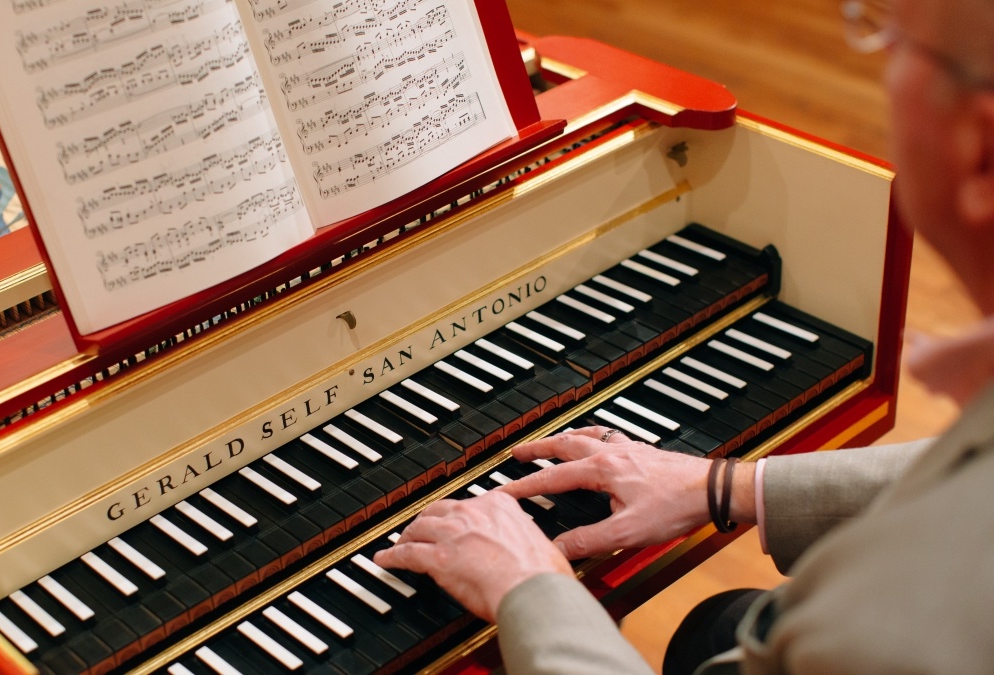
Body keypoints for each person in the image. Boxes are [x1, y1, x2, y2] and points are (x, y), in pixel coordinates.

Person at [373, 0, 994, 671]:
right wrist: (731, 486)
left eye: (895, 42)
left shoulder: (877, 642)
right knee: (714, 626)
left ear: (981, 151)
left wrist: (529, 586)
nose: (884, 69)